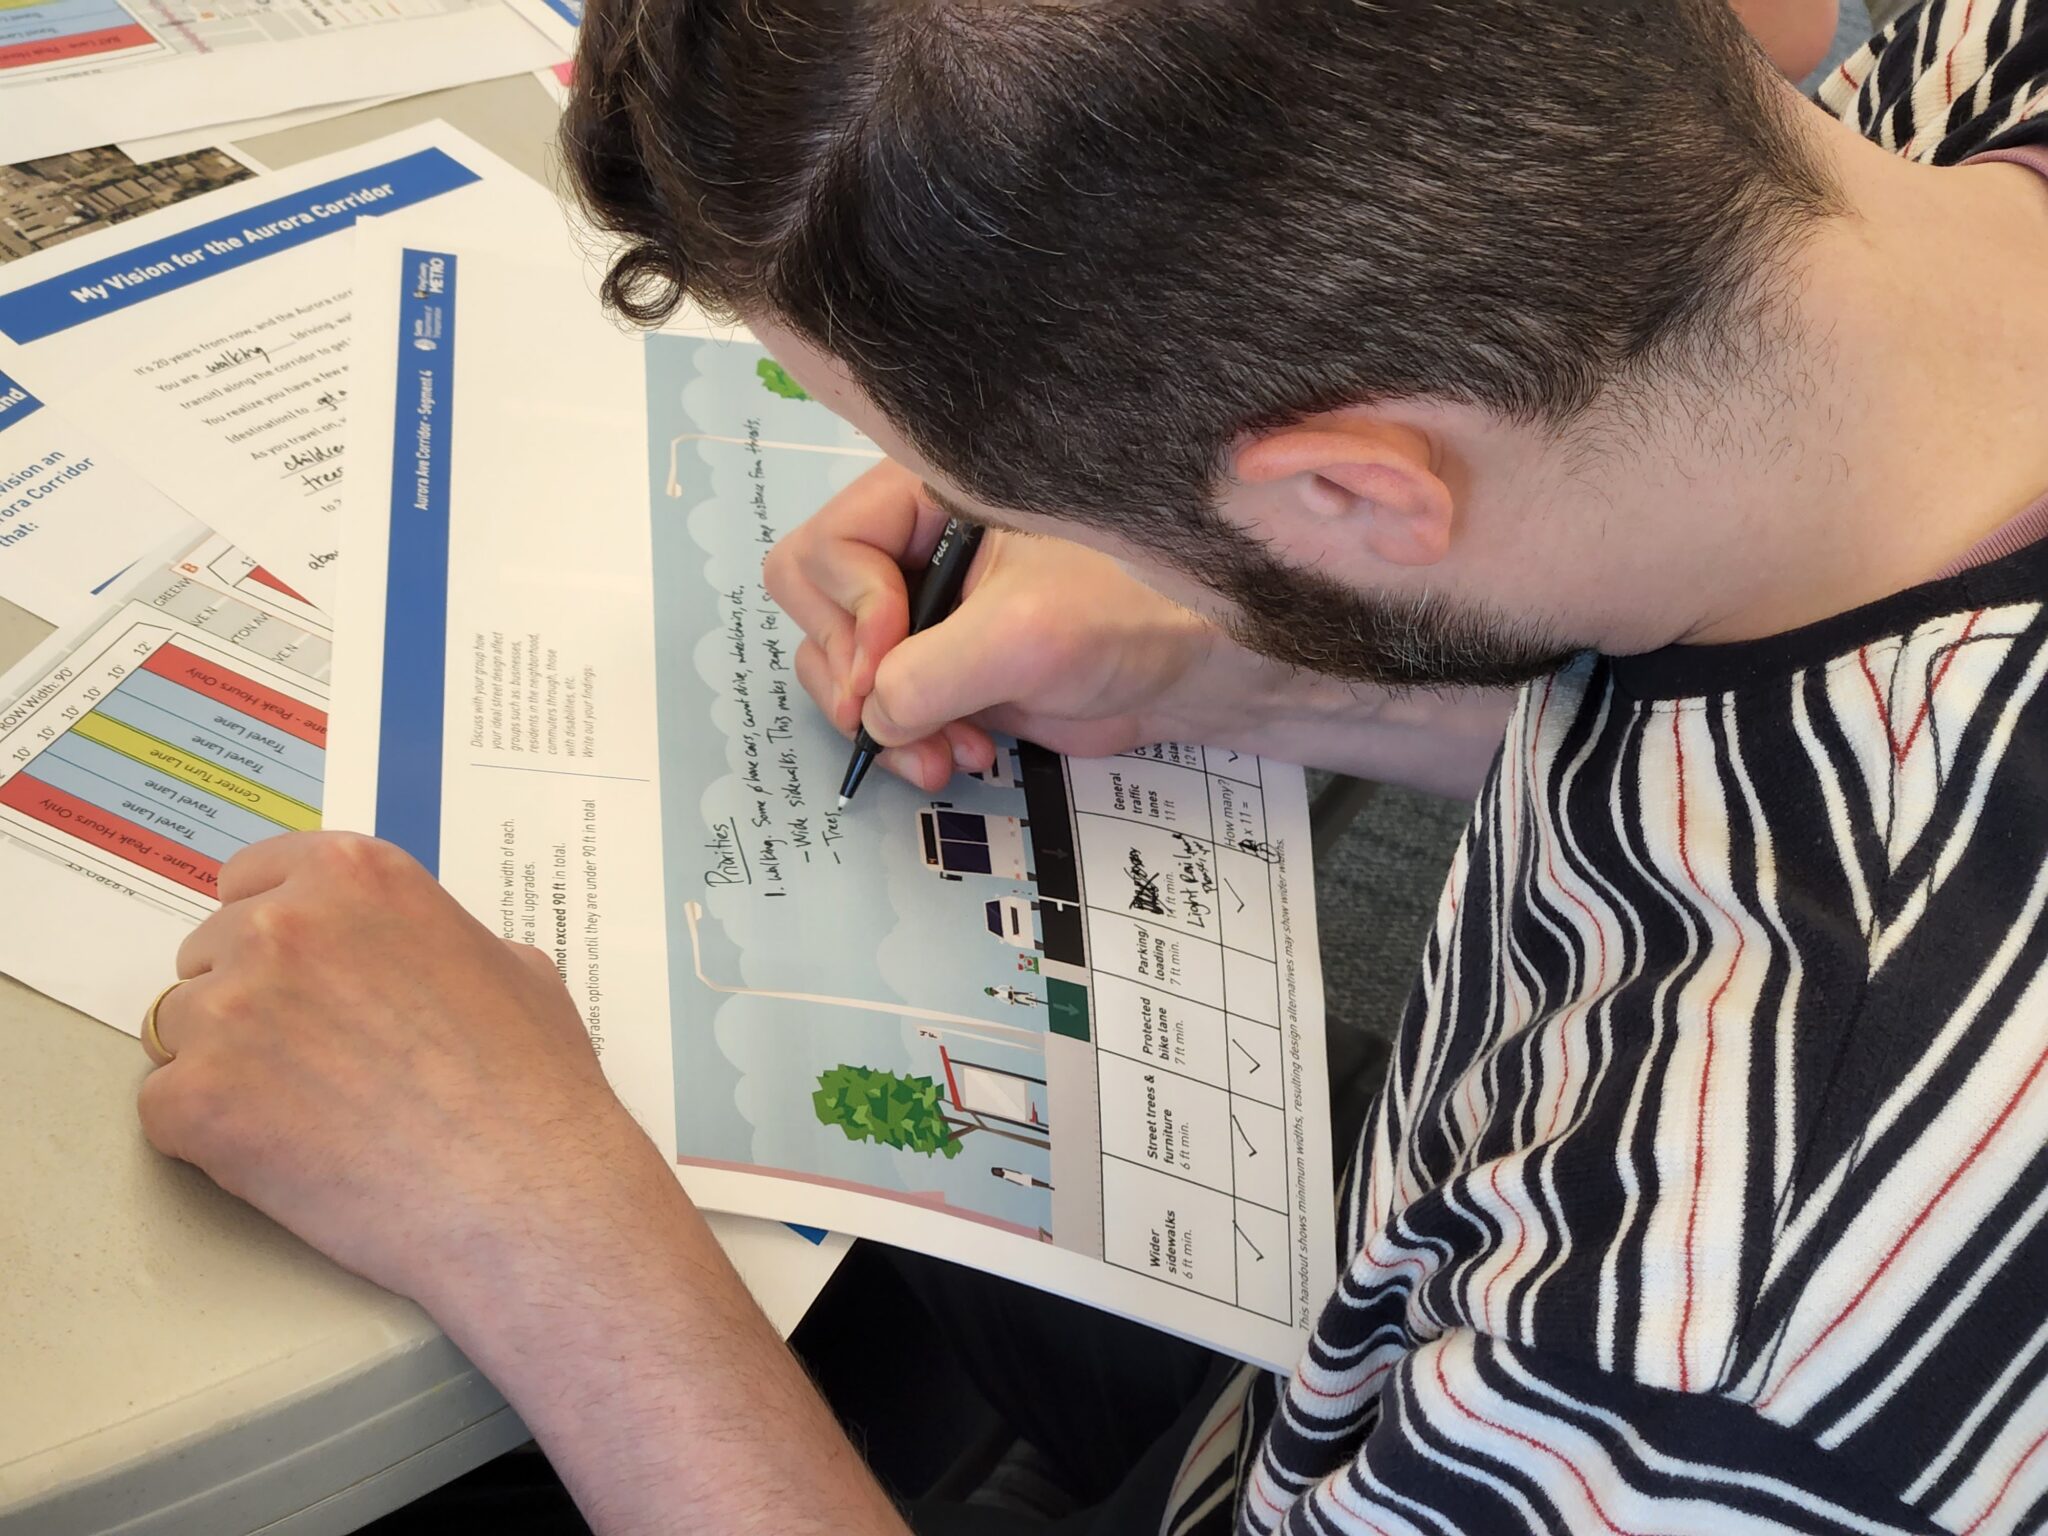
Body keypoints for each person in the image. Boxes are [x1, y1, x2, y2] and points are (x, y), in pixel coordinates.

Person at [130, 0, 2048, 1532]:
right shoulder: (1953, 104)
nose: (988, 532)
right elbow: (1774, 746)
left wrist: (535, 1223)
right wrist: (1277, 674)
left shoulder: (1709, 1334)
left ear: (1352, 492)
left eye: (1007, 501)